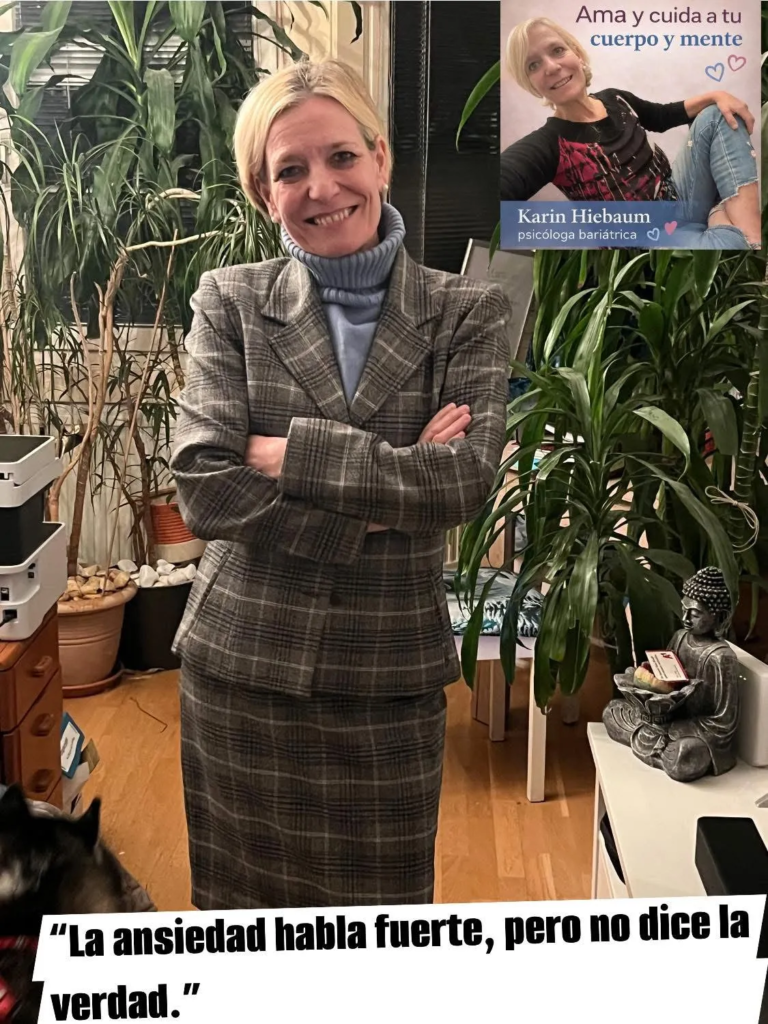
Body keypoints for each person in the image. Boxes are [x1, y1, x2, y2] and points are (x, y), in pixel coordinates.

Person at [169, 59, 512, 910]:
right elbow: (204, 486)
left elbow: (464, 482)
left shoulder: (466, 311)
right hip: (242, 671)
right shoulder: (229, 301)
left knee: (378, 936)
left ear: (381, 158)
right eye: (290, 170)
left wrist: (292, 455)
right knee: (244, 929)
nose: (322, 188)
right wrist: (381, 505)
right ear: (265, 193)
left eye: (342, 156)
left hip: (386, 678)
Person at [501, 17, 760, 249]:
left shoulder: (615, 99)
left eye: (557, 50)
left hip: (677, 196)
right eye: (533, 65)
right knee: (729, 238)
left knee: (718, 113)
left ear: (576, 54)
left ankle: (747, 235)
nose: (551, 67)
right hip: (645, 244)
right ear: (531, 84)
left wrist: (717, 95)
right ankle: (725, 223)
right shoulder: (548, 145)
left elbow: (662, 116)